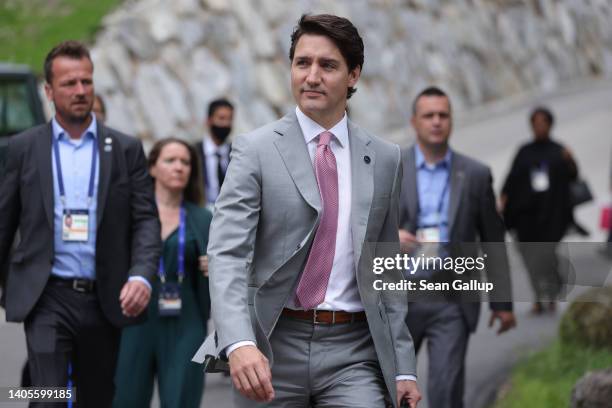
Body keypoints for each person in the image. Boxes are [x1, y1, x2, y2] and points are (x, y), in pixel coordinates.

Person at [201, 13, 421, 408]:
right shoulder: (255, 151)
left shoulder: (385, 158)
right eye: (303, 63)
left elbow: (386, 268)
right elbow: (227, 254)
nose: (312, 76)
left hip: (354, 352)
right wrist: (238, 342)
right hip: (270, 345)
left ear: (353, 75)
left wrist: (403, 366)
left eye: (328, 65)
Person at [0, 40, 160, 407]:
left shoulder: (124, 149)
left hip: (105, 296)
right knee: (49, 396)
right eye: (69, 83)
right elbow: (4, 221)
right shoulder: (24, 148)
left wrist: (140, 276)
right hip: (47, 295)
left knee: (97, 397)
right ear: (49, 90)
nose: (80, 91)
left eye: (86, 82)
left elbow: (146, 221)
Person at [399, 86, 516, 408]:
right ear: (414, 121)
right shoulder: (390, 167)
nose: (436, 122)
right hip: (397, 299)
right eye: (429, 115)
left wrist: (502, 303)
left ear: (451, 121)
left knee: (446, 392)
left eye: (443, 115)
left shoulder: (476, 174)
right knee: (386, 391)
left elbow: (493, 238)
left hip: (450, 300)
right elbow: (360, 226)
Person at [113, 138, 212, 408]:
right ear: (152, 168)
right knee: (125, 399)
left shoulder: (203, 219)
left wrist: (214, 268)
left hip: (186, 321)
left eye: (185, 162)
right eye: (170, 160)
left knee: (181, 398)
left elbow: (229, 268)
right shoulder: (131, 214)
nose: (179, 167)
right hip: (135, 318)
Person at [501, 106, 577, 313]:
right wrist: (503, 200)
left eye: (543, 123)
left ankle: (551, 293)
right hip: (526, 217)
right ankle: (538, 296)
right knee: (530, 258)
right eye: (536, 123)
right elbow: (511, 178)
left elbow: (573, 178)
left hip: (551, 217)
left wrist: (570, 160)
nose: (539, 127)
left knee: (547, 257)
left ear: (550, 125)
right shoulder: (524, 151)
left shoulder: (559, 151)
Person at [193, 98, 234, 208]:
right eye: (221, 118)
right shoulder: (194, 152)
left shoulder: (237, 152)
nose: (226, 124)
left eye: (230, 119)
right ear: (209, 120)